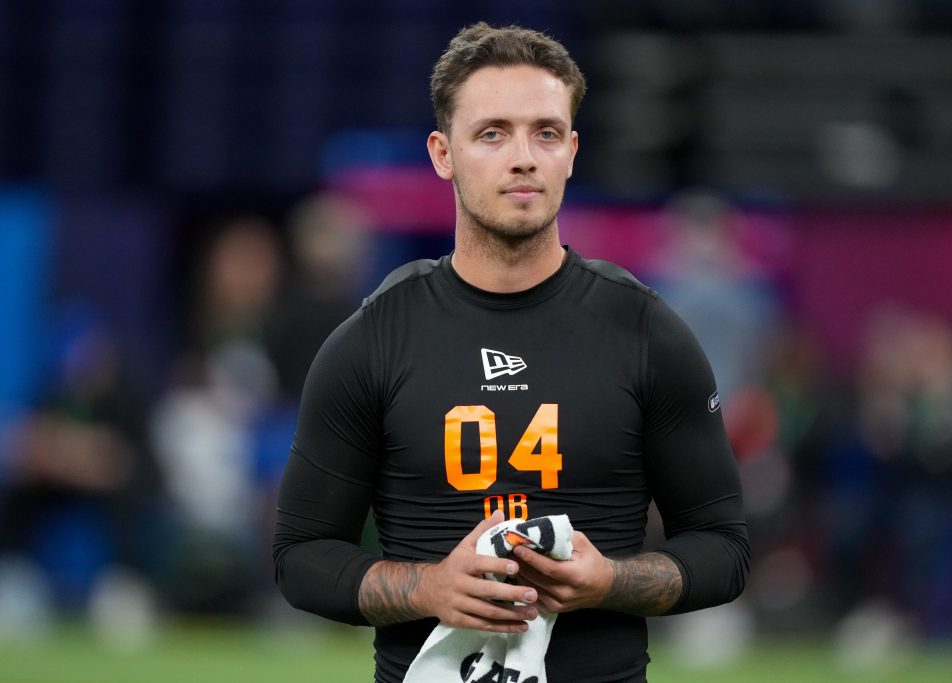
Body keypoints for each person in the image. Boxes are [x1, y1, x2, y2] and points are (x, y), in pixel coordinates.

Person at [273, 22, 748, 682]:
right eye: (493, 133)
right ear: (443, 153)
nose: (523, 157)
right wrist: (429, 587)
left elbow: (725, 548)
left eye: (545, 133)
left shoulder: (644, 330)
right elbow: (300, 555)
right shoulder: (374, 338)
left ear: (572, 151)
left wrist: (608, 580)